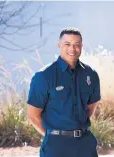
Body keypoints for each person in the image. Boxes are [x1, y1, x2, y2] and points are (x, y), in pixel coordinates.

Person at [27, 28, 101, 157]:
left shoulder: (91, 74)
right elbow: (33, 115)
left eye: (76, 45)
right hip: (56, 146)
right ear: (59, 45)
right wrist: (54, 136)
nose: (72, 49)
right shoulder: (44, 76)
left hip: (85, 144)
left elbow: (90, 108)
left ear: (81, 46)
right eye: (67, 44)